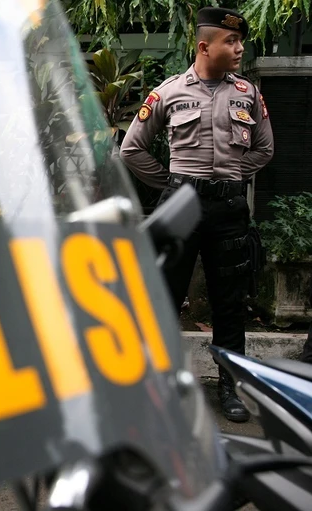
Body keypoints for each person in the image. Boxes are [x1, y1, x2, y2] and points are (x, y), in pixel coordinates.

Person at [120, 7, 274, 422]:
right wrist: (173, 185)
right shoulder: (169, 92)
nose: (239, 48)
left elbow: (265, 148)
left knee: (230, 303)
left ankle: (230, 387)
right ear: (205, 47)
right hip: (180, 209)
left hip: (228, 210)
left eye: (240, 41)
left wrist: (230, 177)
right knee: (164, 300)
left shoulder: (247, 93)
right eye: (231, 41)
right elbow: (131, 149)